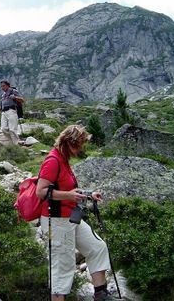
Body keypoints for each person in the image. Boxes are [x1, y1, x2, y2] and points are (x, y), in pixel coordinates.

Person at [35, 125, 116, 301]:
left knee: (97, 247)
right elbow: (40, 192)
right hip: (55, 221)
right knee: (62, 267)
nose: (80, 149)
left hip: (70, 217)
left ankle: (101, 295)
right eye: (78, 145)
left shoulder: (63, 160)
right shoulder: (52, 161)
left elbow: (68, 188)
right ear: (68, 142)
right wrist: (69, 195)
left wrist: (88, 194)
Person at [0, 80, 22, 144]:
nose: (2, 88)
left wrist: (15, 97)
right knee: (3, 129)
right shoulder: (3, 95)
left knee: (12, 129)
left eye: (3, 86)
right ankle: (13, 142)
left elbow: (22, 100)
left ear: (8, 85)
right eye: (1, 86)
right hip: (4, 112)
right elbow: (0, 107)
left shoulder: (13, 91)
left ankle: (16, 145)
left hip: (12, 111)